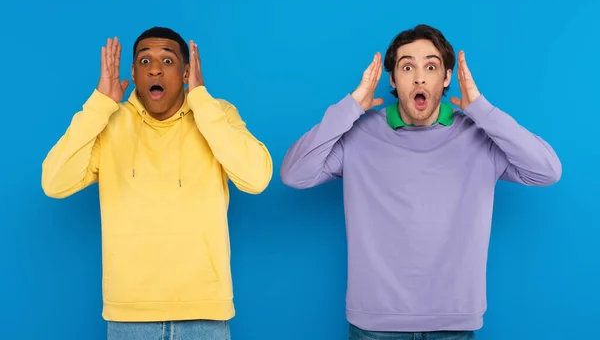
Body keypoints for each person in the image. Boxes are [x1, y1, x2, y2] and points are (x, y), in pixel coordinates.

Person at [280, 24, 561, 339]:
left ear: (446, 78)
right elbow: (295, 174)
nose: (419, 77)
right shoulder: (358, 134)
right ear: (392, 79)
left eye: (430, 66)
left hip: (453, 324)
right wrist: (351, 105)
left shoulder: (480, 135)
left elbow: (547, 170)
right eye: (407, 67)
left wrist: (482, 110)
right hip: (375, 325)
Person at [42, 27, 273, 339]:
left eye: (167, 60)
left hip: (205, 314)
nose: (154, 68)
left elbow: (256, 178)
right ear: (134, 74)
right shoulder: (109, 123)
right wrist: (99, 104)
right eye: (144, 61)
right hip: (129, 316)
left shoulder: (217, 115)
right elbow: (54, 182)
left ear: (186, 71)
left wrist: (202, 100)